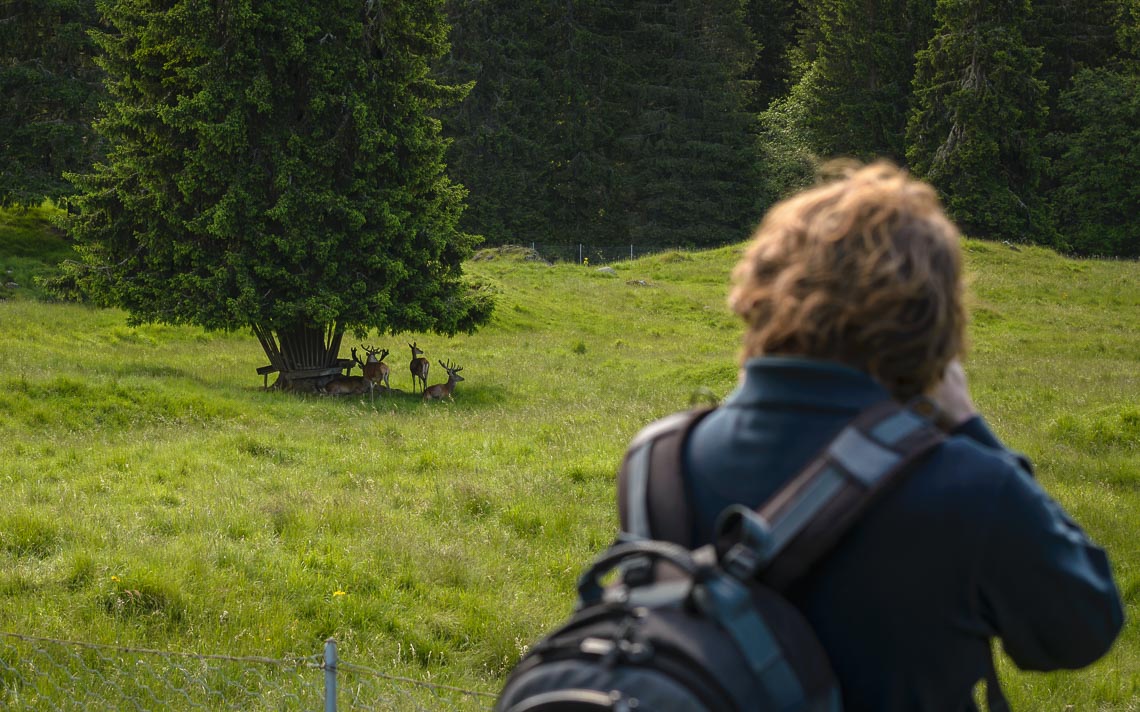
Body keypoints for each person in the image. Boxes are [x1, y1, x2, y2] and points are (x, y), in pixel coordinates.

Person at [620, 162, 1124, 710]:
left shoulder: (657, 461)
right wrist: (970, 426)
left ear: (760, 293)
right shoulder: (970, 484)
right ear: (931, 322)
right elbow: (1082, 629)